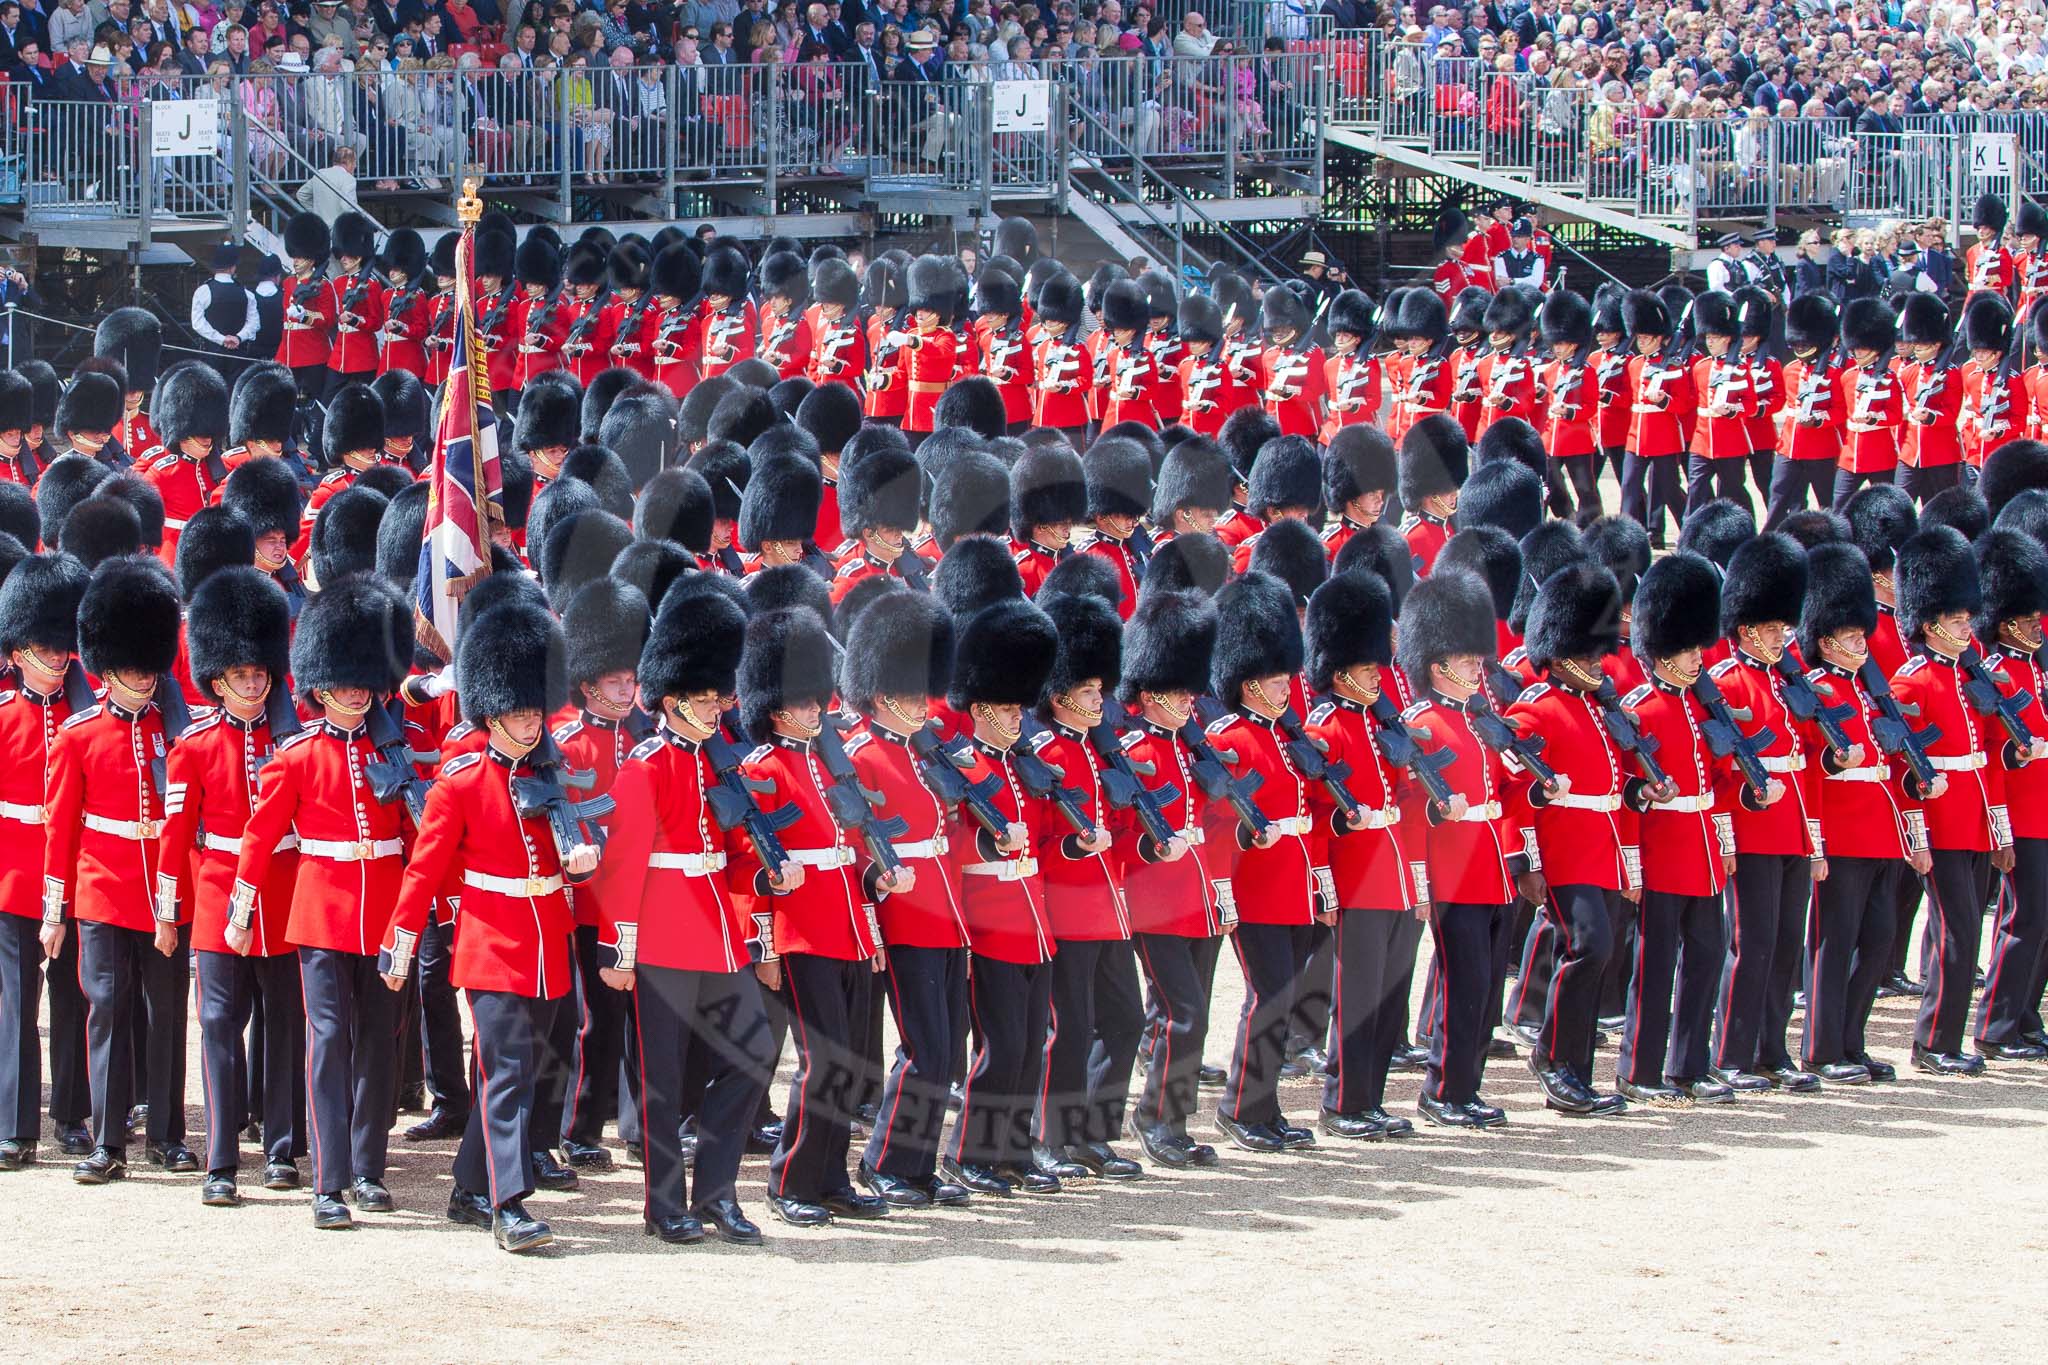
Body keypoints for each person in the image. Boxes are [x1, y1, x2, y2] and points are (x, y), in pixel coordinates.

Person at [377, 600, 593, 1254]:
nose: (534, 721)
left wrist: (581, 860)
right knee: (505, 1074)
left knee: (521, 1072)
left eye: (537, 710)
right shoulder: (461, 781)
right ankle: (509, 1202)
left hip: (548, 941)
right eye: (523, 711)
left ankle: (470, 1188)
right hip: (493, 943)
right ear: (494, 711)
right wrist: (401, 941)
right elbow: (424, 869)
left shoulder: (547, 772)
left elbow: (560, 853)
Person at [232, 574, 413, 1228]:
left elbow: (418, 835)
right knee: (330, 1037)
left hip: (386, 909)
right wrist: (243, 902)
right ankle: (330, 1181)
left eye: (364, 679)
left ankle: (368, 1168)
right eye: (345, 680)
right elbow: (262, 831)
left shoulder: (393, 747)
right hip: (323, 909)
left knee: (380, 1046)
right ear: (321, 683)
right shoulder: (298, 753)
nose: (358, 690)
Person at [40, 557, 192, 1185]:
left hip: (164, 889)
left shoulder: (175, 727)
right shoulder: (78, 734)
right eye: (129, 665)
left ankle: (165, 1134)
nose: (140, 675)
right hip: (101, 888)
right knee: (105, 1009)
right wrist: (55, 909)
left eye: (146, 665)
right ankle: (107, 1140)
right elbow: (60, 825)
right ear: (108, 665)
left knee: (165, 1014)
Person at [739, 606, 892, 1228]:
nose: (816, 711)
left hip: (847, 926)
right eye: (804, 704)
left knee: (850, 1061)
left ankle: (830, 1176)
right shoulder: (762, 770)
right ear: (776, 708)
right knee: (822, 1059)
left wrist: (871, 924)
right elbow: (753, 866)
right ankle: (790, 1177)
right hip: (801, 932)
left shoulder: (827, 765)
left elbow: (847, 852)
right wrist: (767, 946)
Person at [156, 565, 304, 1205]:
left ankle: (280, 1147)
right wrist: (170, 911)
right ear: (216, 680)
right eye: (241, 675)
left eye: (260, 673)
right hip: (219, 894)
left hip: (285, 891)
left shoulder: (292, 739)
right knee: (218, 1025)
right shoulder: (192, 746)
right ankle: (220, 1160)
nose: (253, 682)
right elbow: (174, 834)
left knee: (286, 1025)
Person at [835, 589, 973, 1207]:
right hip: (905, 914)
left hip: (944, 912)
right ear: (884, 693)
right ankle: (886, 1159)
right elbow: (852, 839)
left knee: (946, 1049)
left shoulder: (919, 752)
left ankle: (917, 1165)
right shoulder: (862, 756)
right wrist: (876, 889)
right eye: (914, 692)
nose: (925, 702)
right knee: (924, 1046)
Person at [1891, 527, 2027, 1077]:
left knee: (1964, 929)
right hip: (1941, 822)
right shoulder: (1911, 682)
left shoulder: (1967, 677)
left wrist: (1998, 829)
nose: (1968, 626)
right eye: (1957, 620)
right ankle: (1933, 1042)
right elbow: (1910, 770)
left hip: (1973, 818)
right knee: (1958, 930)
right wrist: (1917, 837)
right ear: (1930, 624)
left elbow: (1987, 760)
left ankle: (1947, 1038)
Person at [1204, 571, 1328, 1154]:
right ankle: (1241, 1107)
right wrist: (1227, 891)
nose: (1287, 689)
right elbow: (1221, 830)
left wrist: (1322, 883)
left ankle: (1265, 1106)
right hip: (1256, 889)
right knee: (1269, 994)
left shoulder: (1288, 734)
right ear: (1250, 684)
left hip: (1297, 885)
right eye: (1277, 681)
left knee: (1286, 994)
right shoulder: (1229, 740)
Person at [1707, 533, 1824, 1094]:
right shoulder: (1729, 683)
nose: (1783, 636)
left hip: (1793, 829)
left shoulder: (1784, 681)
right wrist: (1729, 837)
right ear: (1748, 628)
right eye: (1774, 628)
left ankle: (1770, 1050)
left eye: (1784, 627)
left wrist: (1815, 841)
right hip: (1754, 829)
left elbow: (1805, 767)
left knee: (1783, 945)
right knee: (1750, 945)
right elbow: (1723, 772)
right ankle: (1732, 1053)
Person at [1620, 552, 1738, 1103]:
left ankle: (1689, 1065)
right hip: (1662, 847)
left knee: (1706, 957)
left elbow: (1716, 784)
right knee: (1656, 965)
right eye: (1688, 648)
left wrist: (1727, 844)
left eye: (1698, 647)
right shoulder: (1639, 709)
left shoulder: (1699, 706)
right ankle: (1639, 1070)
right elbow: (1626, 791)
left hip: (1703, 849)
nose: (1697, 658)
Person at [550, 579, 651, 1168]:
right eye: (614, 682)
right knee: (598, 1020)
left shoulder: (645, 741)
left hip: (644, 896)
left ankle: (640, 1126)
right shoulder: (569, 744)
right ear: (588, 684)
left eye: (629, 680)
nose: (625, 689)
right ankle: (582, 1128)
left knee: (644, 1016)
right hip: (591, 901)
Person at [0, 555, 94, 1171]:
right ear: (17, 649)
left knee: (73, 998)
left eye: (64, 647)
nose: (58, 657)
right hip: (13, 873)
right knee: (14, 1000)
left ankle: (72, 1116)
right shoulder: (5, 716)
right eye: (46, 646)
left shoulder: (84, 717)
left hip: (78, 873)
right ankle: (13, 1122)